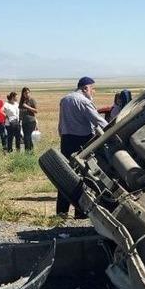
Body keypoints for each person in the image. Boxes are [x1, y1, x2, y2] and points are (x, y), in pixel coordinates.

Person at [56, 76, 108, 218]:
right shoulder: (84, 101)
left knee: (65, 173)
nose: (93, 92)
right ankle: (81, 212)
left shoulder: (65, 99)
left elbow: (60, 123)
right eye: (92, 89)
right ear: (85, 88)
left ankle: (62, 211)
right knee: (85, 176)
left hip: (66, 139)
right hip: (83, 141)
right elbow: (98, 120)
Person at [19, 86, 38, 153]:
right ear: (23, 94)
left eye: (28, 93)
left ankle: (28, 152)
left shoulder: (32, 100)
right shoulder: (22, 101)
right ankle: (30, 152)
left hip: (31, 121)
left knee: (27, 137)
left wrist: (27, 107)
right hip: (24, 122)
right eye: (25, 93)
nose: (27, 94)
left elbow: (36, 111)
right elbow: (20, 112)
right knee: (27, 137)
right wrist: (19, 120)